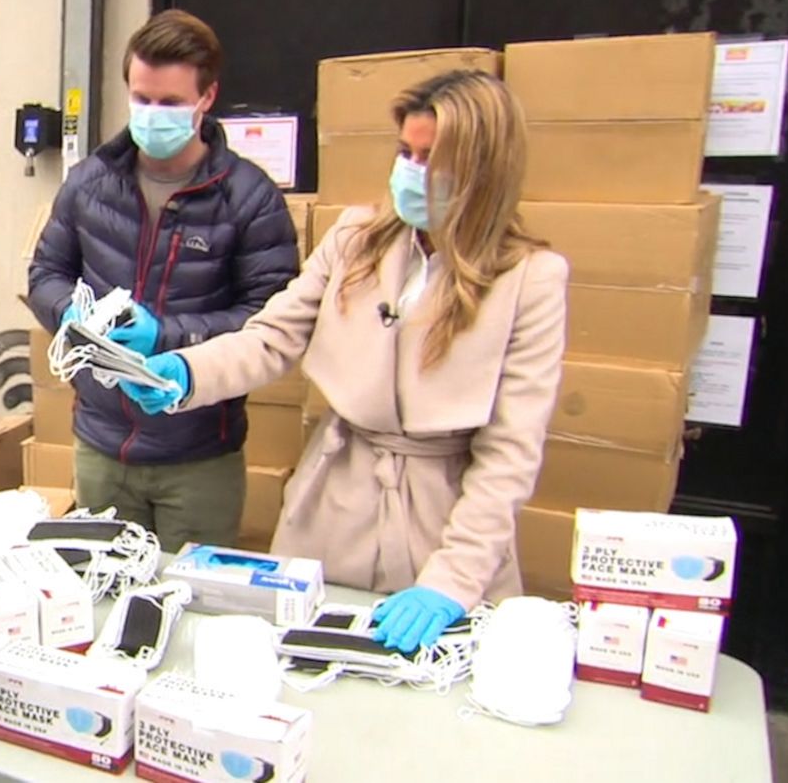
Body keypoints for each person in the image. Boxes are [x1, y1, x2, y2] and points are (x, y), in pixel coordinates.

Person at [123, 70, 568, 651]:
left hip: (444, 521)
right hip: (334, 504)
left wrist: (452, 581)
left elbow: (510, 453)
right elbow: (271, 338)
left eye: (430, 157)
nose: (410, 171)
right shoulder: (356, 239)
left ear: (482, 170)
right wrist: (187, 373)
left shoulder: (530, 280)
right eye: (405, 151)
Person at [28, 10, 299, 552]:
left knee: (190, 605)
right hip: (102, 446)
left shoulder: (249, 198)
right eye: (141, 98)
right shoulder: (88, 185)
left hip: (198, 458)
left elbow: (272, 322)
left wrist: (168, 336)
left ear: (206, 98)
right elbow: (45, 274)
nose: (152, 115)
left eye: (171, 103)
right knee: (101, 599)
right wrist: (69, 314)